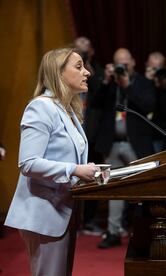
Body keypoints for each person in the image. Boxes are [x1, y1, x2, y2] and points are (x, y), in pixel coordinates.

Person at [4, 47, 97, 276]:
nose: (87, 72)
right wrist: (75, 170)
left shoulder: (67, 110)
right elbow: (28, 163)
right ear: (58, 73)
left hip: (63, 209)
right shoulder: (41, 107)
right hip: (44, 212)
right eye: (78, 66)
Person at [90, 48, 156, 248]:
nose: (122, 67)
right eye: (119, 63)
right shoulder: (110, 84)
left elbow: (148, 106)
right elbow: (95, 103)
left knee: (143, 187)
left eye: (125, 63)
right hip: (112, 144)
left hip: (136, 143)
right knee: (113, 188)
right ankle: (113, 231)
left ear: (133, 63)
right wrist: (105, 80)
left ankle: (143, 231)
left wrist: (127, 86)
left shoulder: (143, 83)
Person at [74, 36, 105, 236]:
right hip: (73, 136)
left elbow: (100, 94)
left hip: (91, 135)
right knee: (73, 179)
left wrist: (91, 68)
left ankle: (90, 220)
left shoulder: (94, 72)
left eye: (84, 52)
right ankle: (74, 222)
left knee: (93, 177)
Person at [144, 51, 166, 152]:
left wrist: (162, 87)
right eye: (153, 68)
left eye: (159, 68)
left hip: (162, 136)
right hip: (143, 136)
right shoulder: (140, 82)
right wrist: (148, 82)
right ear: (147, 66)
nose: (156, 71)